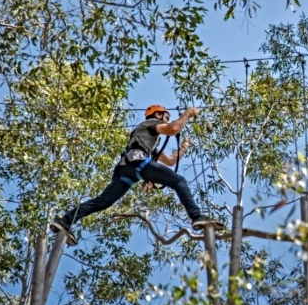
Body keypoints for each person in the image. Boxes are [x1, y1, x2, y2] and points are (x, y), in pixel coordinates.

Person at [50, 105, 221, 246]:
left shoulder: (147, 141)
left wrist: (184, 146)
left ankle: (65, 220)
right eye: (166, 116)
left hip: (128, 170)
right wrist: (188, 114)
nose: (168, 120)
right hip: (137, 162)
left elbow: (169, 161)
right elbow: (173, 128)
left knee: (102, 202)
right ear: (157, 115)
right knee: (179, 181)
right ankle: (196, 217)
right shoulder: (150, 124)